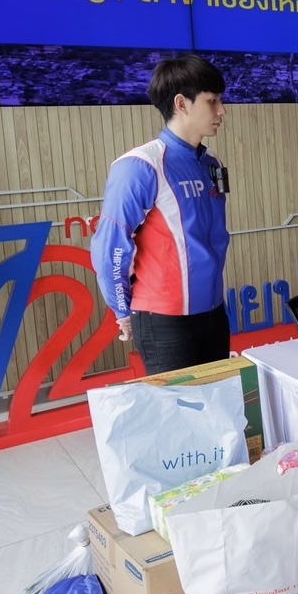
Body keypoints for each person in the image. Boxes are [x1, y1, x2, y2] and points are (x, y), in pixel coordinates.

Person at [92, 57, 232, 376]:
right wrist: (122, 309)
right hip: (164, 320)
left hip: (213, 313)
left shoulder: (212, 164)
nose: (222, 111)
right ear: (181, 104)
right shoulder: (139, 167)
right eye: (213, 101)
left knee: (221, 413)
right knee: (181, 419)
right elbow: (110, 245)